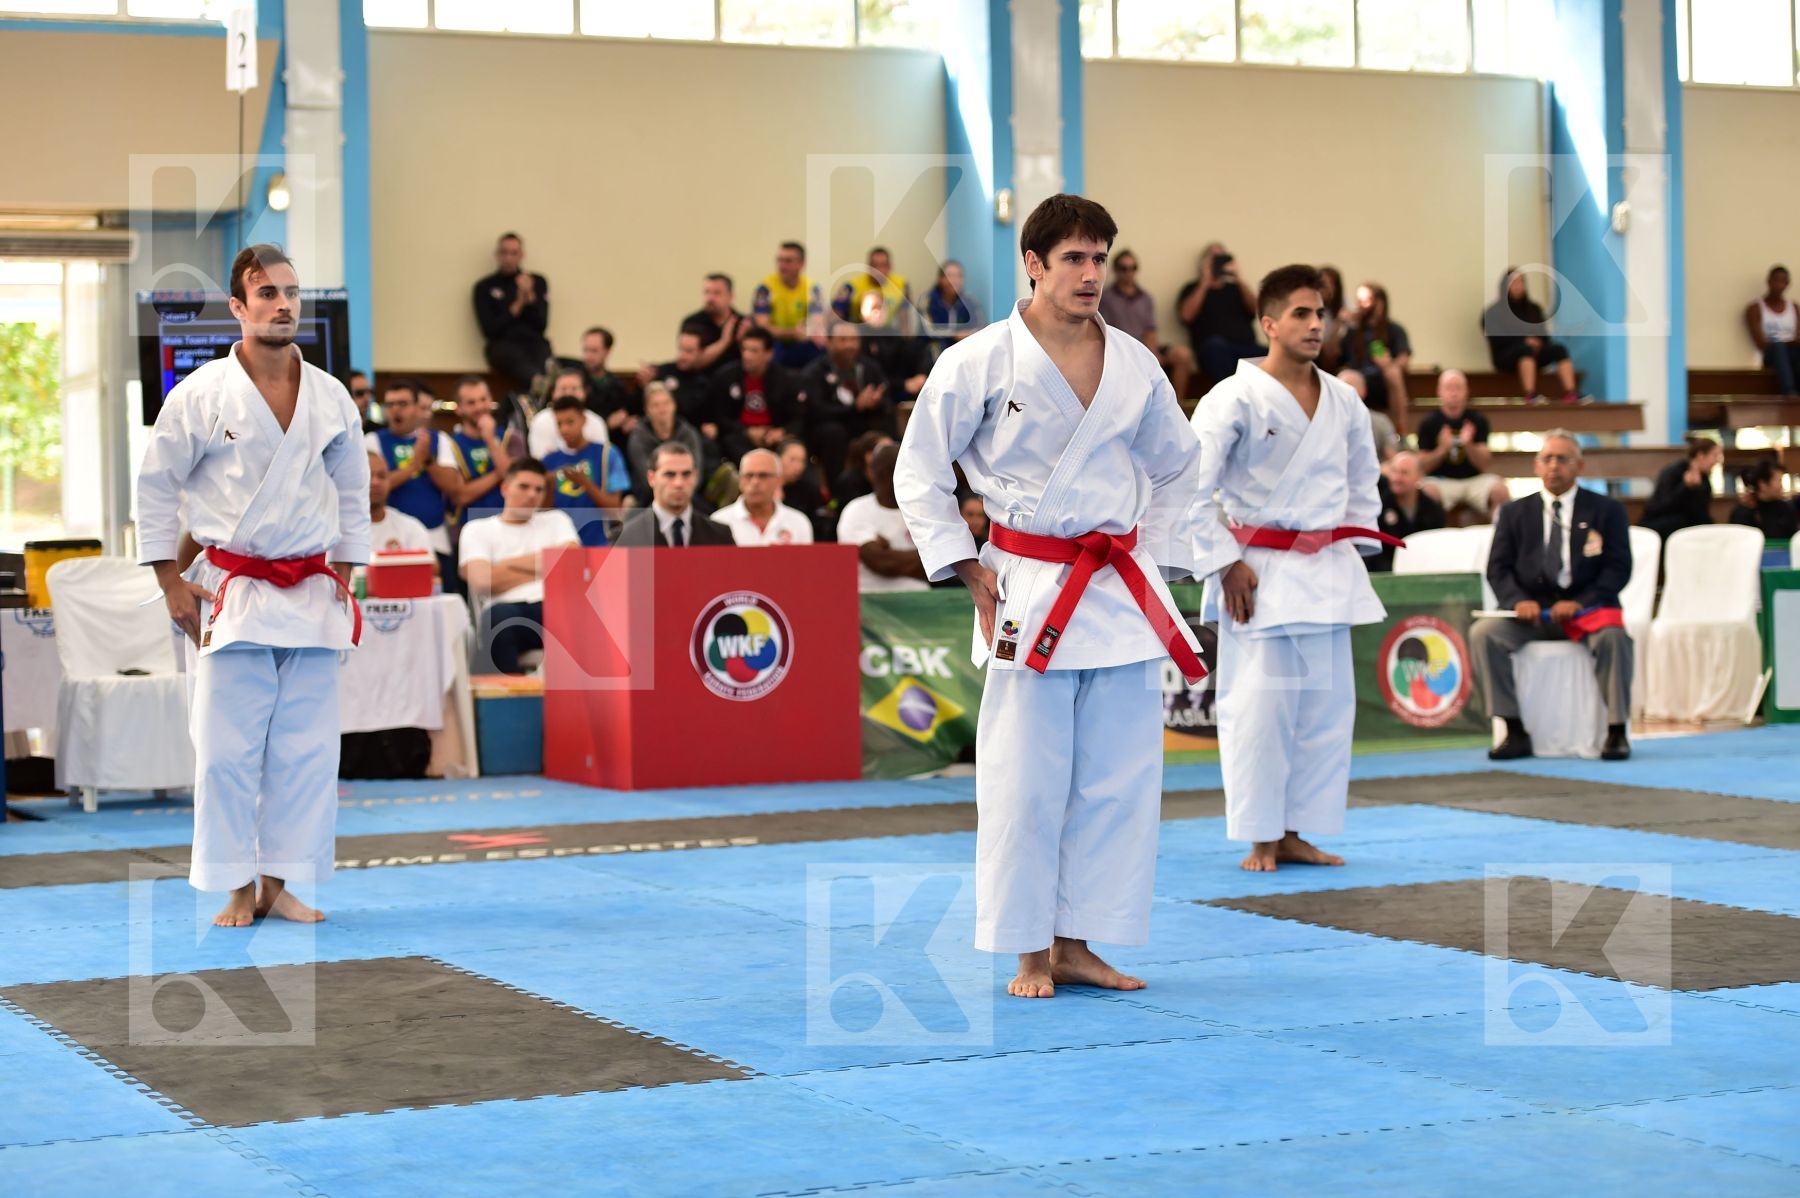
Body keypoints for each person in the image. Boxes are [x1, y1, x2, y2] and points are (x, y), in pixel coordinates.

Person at [895, 193, 1204, 999]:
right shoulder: (979, 360)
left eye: (1100, 257)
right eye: (1073, 257)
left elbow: (1180, 465)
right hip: (1027, 588)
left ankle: (1077, 942)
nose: (1090, 272)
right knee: (1025, 780)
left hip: (1119, 592)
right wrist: (967, 570)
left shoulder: (1135, 362)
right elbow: (919, 472)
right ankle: (1030, 950)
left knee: (1117, 782)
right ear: (1032, 265)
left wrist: (1159, 560)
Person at [136, 243, 369, 928]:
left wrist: (345, 572)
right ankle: (238, 886)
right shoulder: (201, 394)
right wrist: (169, 580)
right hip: (231, 589)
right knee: (226, 750)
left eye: (291, 293)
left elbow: (353, 495)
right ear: (238, 307)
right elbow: (156, 489)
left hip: (310, 589)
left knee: (307, 750)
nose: (282, 304)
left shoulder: (330, 397)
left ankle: (281, 882)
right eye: (266, 293)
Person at [1189, 264, 1398, 874]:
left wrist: (1348, 551)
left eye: (1321, 313)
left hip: (1327, 571)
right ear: (1269, 323)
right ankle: (1260, 836)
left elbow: (1365, 484)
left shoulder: (1345, 400)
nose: (1315, 324)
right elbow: (1192, 488)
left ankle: (1296, 830)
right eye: (1301, 313)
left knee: (1325, 713)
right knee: (1259, 712)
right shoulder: (1233, 396)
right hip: (1259, 572)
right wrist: (1226, 563)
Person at [1472, 432, 1633, 761]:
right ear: (1536, 465)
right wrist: (1517, 601)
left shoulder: (1607, 511)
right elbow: (1497, 569)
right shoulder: (1514, 513)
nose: (1554, 466)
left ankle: (1616, 732)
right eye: (1547, 459)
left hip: (1586, 613)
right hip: (1531, 615)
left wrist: (1581, 603)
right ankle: (1513, 729)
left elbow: (1618, 569)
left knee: (1615, 639)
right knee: (1484, 635)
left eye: (1563, 459)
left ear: (1580, 466)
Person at [458, 458, 581, 675]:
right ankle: (512, 701)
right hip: (508, 612)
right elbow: (483, 581)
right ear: (505, 488)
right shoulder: (477, 529)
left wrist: (506, 565)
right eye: (524, 487)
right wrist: (549, 563)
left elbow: (573, 565)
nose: (532, 494)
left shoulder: (556, 520)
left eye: (539, 489)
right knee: (498, 618)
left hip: (557, 606)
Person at [366, 380, 454, 581]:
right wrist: (414, 465)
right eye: (390, 405)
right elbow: (373, 484)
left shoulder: (438, 439)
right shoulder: (372, 440)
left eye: (403, 404)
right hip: (390, 539)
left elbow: (454, 487)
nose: (396, 410)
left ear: (418, 408)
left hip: (435, 536)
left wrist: (428, 460)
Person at [799, 320, 893, 484]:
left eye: (853, 340)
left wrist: (876, 401)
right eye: (843, 340)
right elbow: (815, 411)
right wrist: (854, 407)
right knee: (833, 433)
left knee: (886, 422)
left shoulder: (869, 367)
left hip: (865, 423)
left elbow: (886, 395)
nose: (849, 345)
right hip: (833, 428)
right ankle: (838, 491)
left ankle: (891, 483)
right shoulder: (814, 372)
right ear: (829, 342)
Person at [1100, 249, 1195, 400]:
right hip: (1122, 349)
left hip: (1145, 346)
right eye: (1124, 268)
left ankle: (1177, 404)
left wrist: (1153, 353)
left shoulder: (1145, 298)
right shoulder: (1105, 297)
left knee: (1183, 355)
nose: (1129, 273)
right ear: (1116, 270)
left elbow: (1150, 330)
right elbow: (1104, 331)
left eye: (1133, 268)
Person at [1416, 369, 1510, 518]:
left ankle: (1501, 536)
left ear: (1466, 391)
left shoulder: (1478, 420)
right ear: (1439, 391)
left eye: (1458, 388)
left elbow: (1484, 464)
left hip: (1474, 480)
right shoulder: (1429, 422)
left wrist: (1469, 444)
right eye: (1449, 388)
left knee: (1500, 490)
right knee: (1426, 492)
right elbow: (1422, 466)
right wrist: (1442, 449)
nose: (1454, 393)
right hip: (1442, 481)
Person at [542, 396, 633, 548]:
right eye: (559, 424)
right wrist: (549, 487)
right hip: (561, 547)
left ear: (584, 419)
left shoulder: (606, 454)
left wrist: (584, 482)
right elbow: (544, 514)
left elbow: (614, 509)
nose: (564, 429)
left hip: (600, 543)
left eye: (570, 422)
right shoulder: (549, 461)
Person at [1484, 268, 1583, 403]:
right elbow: (1496, 339)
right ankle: (1530, 395)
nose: (1518, 286)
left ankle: (1571, 393)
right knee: (1525, 349)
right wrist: (1524, 341)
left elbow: (1545, 336)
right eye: (1513, 282)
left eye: (1521, 282)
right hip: (1506, 356)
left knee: (1559, 349)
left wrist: (1538, 342)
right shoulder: (1493, 312)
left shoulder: (1534, 309)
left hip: (1535, 354)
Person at [613, 441, 735, 547]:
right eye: (670, 475)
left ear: (696, 477)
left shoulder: (720, 535)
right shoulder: (624, 539)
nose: (679, 483)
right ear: (652, 478)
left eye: (686, 474)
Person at [840, 443, 927, 592]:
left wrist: (889, 551)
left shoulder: (922, 510)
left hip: (920, 600)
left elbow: (942, 562)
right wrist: (922, 557)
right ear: (886, 474)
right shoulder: (857, 510)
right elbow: (881, 562)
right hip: (870, 601)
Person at [473, 232, 550, 392]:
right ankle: (537, 382)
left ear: (522, 255)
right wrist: (519, 303)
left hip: (533, 344)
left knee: (544, 353)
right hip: (503, 346)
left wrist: (530, 297)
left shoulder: (537, 282)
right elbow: (490, 330)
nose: (508, 258)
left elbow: (542, 324)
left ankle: (546, 384)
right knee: (511, 355)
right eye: (504, 252)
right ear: (497, 255)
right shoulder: (484, 287)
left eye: (514, 253)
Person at [707, 326, 798, 462]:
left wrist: (781, 432)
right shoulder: (725, 377)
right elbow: (719, 416)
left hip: (773, 436)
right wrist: (746, 431)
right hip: (739, 437)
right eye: (744, 349)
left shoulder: (786, 380)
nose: (746, 355)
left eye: (754, 351)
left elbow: (798, 417)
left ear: (769, 354)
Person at [1176, 241, 1262, 385]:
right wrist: (1205, 281)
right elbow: (1186, 315)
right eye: (1213, 258)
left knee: (1274, 353)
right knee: (1215, 346)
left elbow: (1256, 310)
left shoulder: (1236, 288)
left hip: (1245, 348)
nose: (1217, 262)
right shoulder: (1192, 288)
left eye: (1221, 258)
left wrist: (1238, 277)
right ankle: (1231, 395)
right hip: (1213, 350)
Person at [441, 374, 512, 532]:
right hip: (466, 527)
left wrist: (490, 440)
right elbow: (461, 495)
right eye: (471, 403)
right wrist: (498, 473)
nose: (480, 407)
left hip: (508, 525)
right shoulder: (449, 444)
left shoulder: (511, 437)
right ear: (459, 408)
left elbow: (513, 478)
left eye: (483, 399)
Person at [1339, 282, 1411, 433]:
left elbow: (1404, 358)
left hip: (1383, 382)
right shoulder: (1353, 332)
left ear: (1380, 303)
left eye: (1367, 300)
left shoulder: (1394, 329)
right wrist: (1341, 322)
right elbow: (1337, 358)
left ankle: (1401, 431)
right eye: (1360, 301)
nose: (1363, 305)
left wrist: (1389, 364)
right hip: (1360, 379)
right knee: (1346, 377)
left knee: (1393, 373)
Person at [362, 451, 439, 583]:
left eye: (382, 476)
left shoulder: (411, 526)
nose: (375, 482)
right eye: (368, 476)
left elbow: (432, 568)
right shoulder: (336, 528)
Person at [711, 448, 814, 546]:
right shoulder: (719, 522)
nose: (755, 482)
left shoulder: (798, 523)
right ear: (740, 481)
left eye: (763, 475)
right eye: (749, 475)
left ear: (778, 480)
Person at [625, 382, 705, 507]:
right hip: (648, 496)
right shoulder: (638, 437)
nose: (662, 409)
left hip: (687, 493)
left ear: (674, 405)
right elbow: (645, 476)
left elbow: (697, 471)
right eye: (655, 405)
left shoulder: (689, 433)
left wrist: (682, 488)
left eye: (666, 403)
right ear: (647, 410)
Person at [752, 240, 827, 370]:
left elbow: (816, 320)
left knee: (822, 347)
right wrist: (792, 333)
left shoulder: (812, 288)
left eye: (788, 261)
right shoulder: (765, 289)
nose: (782, 266)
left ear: (801, 264)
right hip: (776, 343)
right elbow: (762, 326)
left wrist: (808, 329)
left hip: (802, 341)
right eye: (779, 260)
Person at [1367, 451, 1446, 572]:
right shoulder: (1378, 508)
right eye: (1394, 472)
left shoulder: (1432, 509)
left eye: (1404, 473)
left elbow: (1437, 545)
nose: (1397, 478)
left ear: (1419, 477)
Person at [1640, 436, 1723, 539]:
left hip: (1684, 525)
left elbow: (1700, 514)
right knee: (1678, 522)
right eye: (1715, 455)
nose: (1717, 461)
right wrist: (1685, 487)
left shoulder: (1704, 480)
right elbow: (1664, 506)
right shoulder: (1673, 472)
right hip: (1659, 523)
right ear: (1701, 456)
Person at [638, 329, 716, 432]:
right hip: (655, 431)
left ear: (701, 352)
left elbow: (697, 414)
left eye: (689, 351)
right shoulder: (661, 372)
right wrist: (644, 386)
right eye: (680, 349)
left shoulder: (705, 382)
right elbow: (641, 407)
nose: (682, 356)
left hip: (689, 433)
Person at [528, 367, 610, 460]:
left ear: (584, 393)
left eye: (574, 389)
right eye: (563, 389)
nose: (568, 394)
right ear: (553, 393)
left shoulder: (596, 422)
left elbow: (602, 460)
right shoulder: (541, 421)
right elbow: (541, 461)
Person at [1746, 265, 1800, 397]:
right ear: (1769, 281)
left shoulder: (1793, 307)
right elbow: (1760, 343)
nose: (1779, 285)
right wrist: (1786, 342)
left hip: (1792, 352)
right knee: (1778, 346)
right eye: (1776, 280)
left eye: (1783, 281)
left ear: (1787, 284)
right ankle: (1789, 392)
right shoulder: (1756, 308)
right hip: (1770, 354)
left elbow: (1798, 337)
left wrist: (1790, 343)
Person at [682, 273, 749, 373]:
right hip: (700, 382)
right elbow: (692, 362)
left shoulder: (744, 323)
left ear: (731, 296)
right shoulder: (692, 322)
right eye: (707, 292)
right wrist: (724, 341)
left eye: (717, 293)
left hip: (734, 382)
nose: (710, 298)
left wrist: (744, 343)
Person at [833, 246, 911, 331]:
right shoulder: (851, 286)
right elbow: (835, 317)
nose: (878, 270)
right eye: (874, 265)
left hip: (887, 334)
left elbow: (904, 320)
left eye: (883, 265)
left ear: (890, 267)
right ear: (868, 266)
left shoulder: (901, 285)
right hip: (859, 334)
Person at [579, 326, 636, 435]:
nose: (588, 356)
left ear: (607, 352)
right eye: (585, 350)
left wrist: (626, 422)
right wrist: (606, 423)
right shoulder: (577, 382)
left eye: (594, 351)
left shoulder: (617, 385)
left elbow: (627, 411)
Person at [922, 259, 984, 356]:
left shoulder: (970, 301)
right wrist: (954, 334)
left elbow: (980, 327)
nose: (955, 281)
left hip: (964, 347)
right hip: (935, 347)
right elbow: (929, 330)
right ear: (940, 279)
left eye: (959, 276)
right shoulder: (928, 301)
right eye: (950, 276)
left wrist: (967, 335)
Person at [1335, 368, 1399, 460]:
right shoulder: (1324, 420)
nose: (1343, 392)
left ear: (1363, 391)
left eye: (1348, 387)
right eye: (1338, 387)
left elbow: (1392, 458)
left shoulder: (1380, 422)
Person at [1730, 457, 1799, 540]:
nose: (1782, 486)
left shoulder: (1786, 509)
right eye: (1779, 481)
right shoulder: (1743, 512)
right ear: (1762, 484)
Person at [777, 436, 830, 539]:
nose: (799, 466)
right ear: (778, 459)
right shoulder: (766, 488)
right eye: (793, 460)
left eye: (802, 461)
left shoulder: (810, 489)